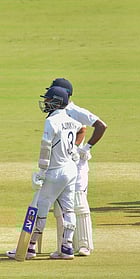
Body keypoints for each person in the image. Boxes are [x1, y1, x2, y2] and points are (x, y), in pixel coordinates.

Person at [7, 86, 83, 260]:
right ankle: (67, 247)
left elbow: (45, 146)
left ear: (56, 102)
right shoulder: (71, 119)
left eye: (49, 100)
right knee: (68, 209)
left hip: (55, 172)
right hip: (70, 170)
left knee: (41, 207)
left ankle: (29, 247)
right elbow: (80, 129)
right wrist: (75, 153)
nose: (46, 102)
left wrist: (41, 172)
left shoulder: (51, 121)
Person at [45, 78, 107, 257]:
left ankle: (85, 244)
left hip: (77, 165)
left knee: (78, 201)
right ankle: (64, 246)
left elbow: (99, 126)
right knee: (61, 206)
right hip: (61, 164)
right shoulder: (55, 113)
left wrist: (83, 149)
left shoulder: (75, 111)